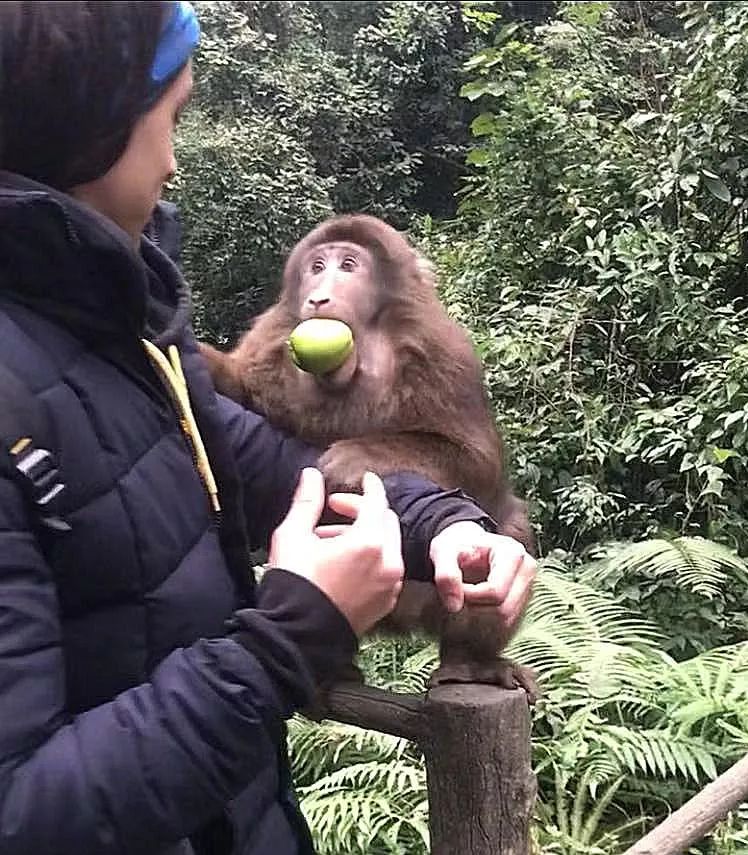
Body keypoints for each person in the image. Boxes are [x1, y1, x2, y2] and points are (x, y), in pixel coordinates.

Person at [0, 3, 536, 854]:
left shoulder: (118, 304)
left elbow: (233, 447)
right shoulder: (103, 329)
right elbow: (25, 816)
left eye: (346, 267)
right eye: (170, 120)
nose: (176, 161)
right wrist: (292, 636)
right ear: (88, 125)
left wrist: (442, 520)